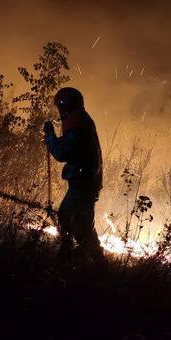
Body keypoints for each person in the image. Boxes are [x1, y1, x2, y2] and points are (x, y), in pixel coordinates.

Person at [43, 87, 106, 265]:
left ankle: (69, 259)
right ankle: (96, 264)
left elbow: (61, 152)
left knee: (69, 216)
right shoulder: (81, 120)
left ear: (65, 105)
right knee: (83, 224)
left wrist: (49, 135)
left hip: (83, 183)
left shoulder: (77, 122)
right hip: (87, 181)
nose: (58, 111)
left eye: (59, 106)